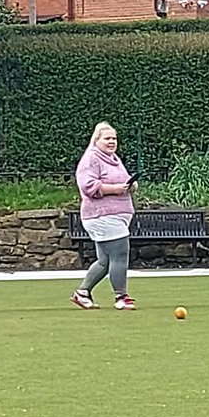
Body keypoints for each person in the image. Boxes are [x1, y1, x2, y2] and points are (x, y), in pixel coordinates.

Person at [72, 121, 137, 311]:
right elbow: (88, 186)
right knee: (120, 255)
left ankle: (82, 293)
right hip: (103, 215)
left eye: (114, 138)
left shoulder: (114, 158)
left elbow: (121, 180)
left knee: (105, 261)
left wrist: (130, 186)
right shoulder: (91, 158)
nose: (112, 142)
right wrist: (115, 189)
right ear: (97, 139)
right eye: (107, 138)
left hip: (117, 215)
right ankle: (121, 297)